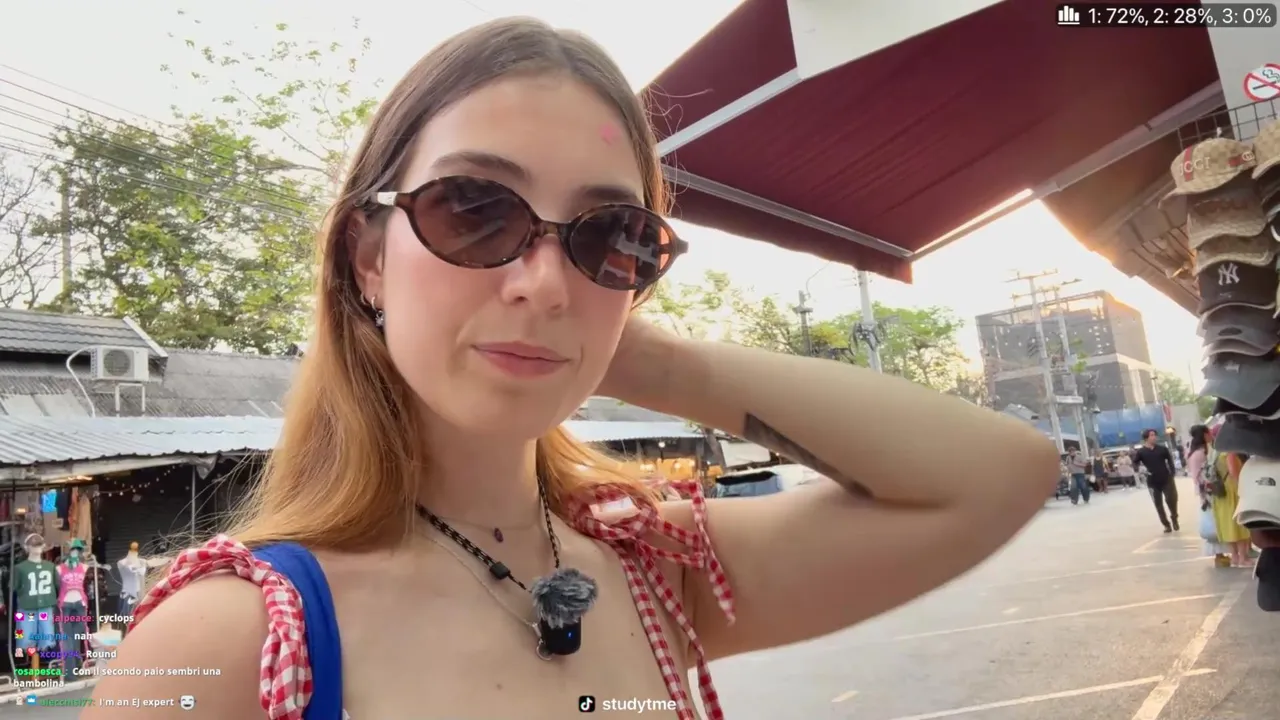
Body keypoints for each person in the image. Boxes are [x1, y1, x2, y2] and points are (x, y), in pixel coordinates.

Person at [82, 18, 1059, 720]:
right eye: (474, 210)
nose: (545, 284)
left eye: (612, 233)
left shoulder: (653, 573)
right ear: (368, 256)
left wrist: (643, 352)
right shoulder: (224, 643)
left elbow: (998, 473)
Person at [1187, 425, 1230, 568]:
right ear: (1204, 434)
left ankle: (1220, 555)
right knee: (1214, 521)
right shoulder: (1201, 453)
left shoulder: (1196, 452)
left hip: (1205, 491)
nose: (1212, 435)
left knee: (1214, 520)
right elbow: (1203, 475)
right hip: (1208, 491)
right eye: (1209, 433)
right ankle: (1219, 555)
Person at [1134, 429, 1179, 533]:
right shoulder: (1141, 452)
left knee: (1171, 500)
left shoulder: (1162, 449)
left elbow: (1170, 460)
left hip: (1166, 479)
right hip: (1152, 482)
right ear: (1146, 438)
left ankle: (1174, 517)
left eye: (1155, 435)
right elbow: (1135, 463)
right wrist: (1141, 469)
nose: (1154, 437)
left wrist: (1172, 472)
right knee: (1158, 504)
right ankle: (1166, 525)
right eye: (1152, 435)